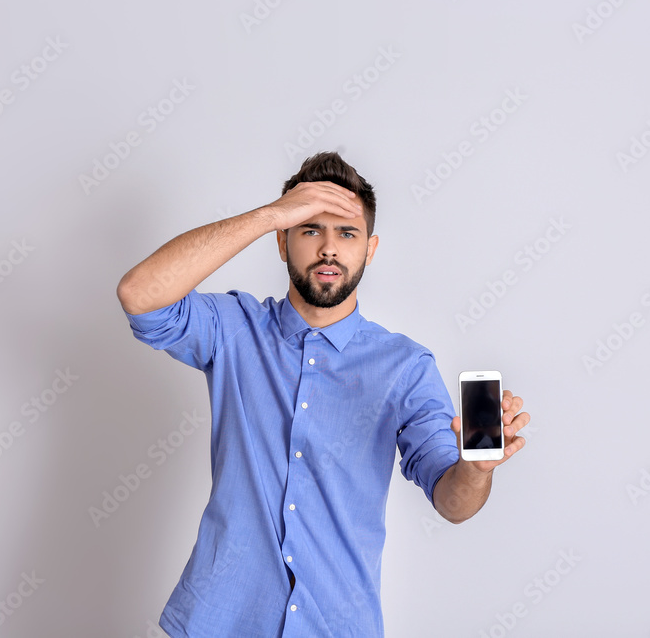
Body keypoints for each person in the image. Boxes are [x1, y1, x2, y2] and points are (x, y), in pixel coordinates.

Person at [116, 151, 530, 637]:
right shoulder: (234, 329)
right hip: (216, 621)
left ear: (370, 249)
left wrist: (475, 470)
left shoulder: (405, 367)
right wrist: (272, 212)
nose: (329, 249)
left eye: (347, 233)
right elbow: (139, 295)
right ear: (282, 241)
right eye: (310, 230)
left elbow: (453, 502)